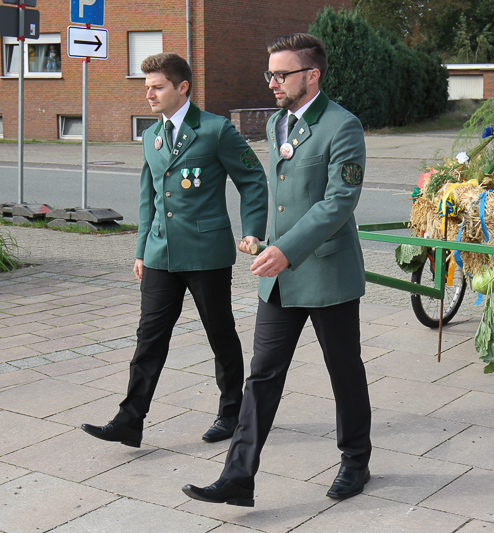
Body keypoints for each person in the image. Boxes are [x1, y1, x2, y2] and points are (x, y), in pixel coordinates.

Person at [182, 33, 371, 507]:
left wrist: (287, 249)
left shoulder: (342, 125)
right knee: (262, 376)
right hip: (280, 276)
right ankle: (237, 477)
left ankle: (355, 460)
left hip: (327, 272)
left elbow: (338, 203)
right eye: (270, 73)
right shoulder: (276, 123)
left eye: (282, 74)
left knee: (343, 371)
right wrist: (260, 237)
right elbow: (279, 194)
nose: (272, 82)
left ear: (312, 75)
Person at [82, 53, 268, 448]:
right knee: (149, 337)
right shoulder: (151, 135)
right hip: (160, 254)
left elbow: (253, 178)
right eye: (147, 87)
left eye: (157, 87)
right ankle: (129, 419)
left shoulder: (215, 129)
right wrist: (140, 251)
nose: (149, 94)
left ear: (182, 87)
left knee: (219, 333)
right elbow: (148, 196)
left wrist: (252, 231)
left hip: (205, 253)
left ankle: (232, 412)